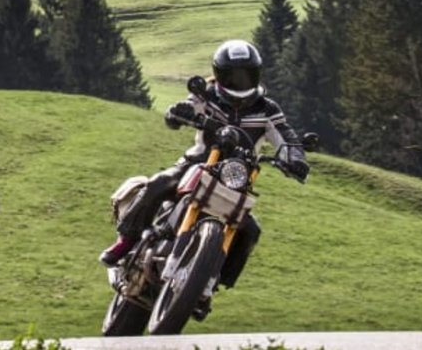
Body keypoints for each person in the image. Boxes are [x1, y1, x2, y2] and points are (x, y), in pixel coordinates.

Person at [99, 40, 309, 295]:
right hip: (198, 162)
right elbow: (186, 107)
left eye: (245, 75)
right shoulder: (207, 93)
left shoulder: (267, 109)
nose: (239, 81)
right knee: (159, 184)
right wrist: (181, 112)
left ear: (256, 74)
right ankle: (126, 241)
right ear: (220, 74)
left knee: (251, 231)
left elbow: (285, 136)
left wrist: (295, 157)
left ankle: (213, 280)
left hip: (236, 177)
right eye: (232, 75)